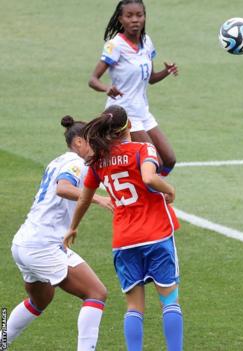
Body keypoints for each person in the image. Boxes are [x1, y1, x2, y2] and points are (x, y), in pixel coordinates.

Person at [63, 105, 183, 351]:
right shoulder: (143, 149)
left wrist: (73, 227)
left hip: (124, 239)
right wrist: (169, 189)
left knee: (134, 307)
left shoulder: (99, 162)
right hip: (156, 233)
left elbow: (85, 197)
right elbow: (149, 178)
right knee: (169, 301)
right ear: (129, 126)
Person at [6, 116, 113, 350]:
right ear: (78, 143)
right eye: (92, 142)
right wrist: (98, 199)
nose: (96, 147)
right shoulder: (75, 163)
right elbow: (63, 188)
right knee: (96, 292)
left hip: (24, 243)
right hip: (42, 246)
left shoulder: (58, 161)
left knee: (40, 300)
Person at [88, 0, 178, 176]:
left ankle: (149, 187)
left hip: (142, 111)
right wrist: (107, 88)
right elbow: (92, 80)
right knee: (154, 162)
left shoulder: (146, 42)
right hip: (124, 114)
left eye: (139, 15)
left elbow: (150, 78)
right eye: (129, 16)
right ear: (120, 19)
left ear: (145, 17)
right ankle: (149, 194)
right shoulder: (115, 46)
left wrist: (166, 72)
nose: (135, 20)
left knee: (169, 160)